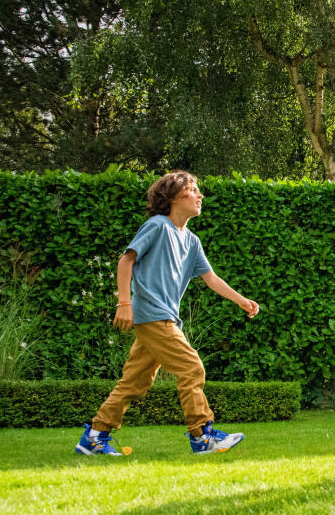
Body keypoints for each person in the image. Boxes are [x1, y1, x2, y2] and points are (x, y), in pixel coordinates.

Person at [74, 171, 260, 456]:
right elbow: (126, 261)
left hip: (163, 317)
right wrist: (124, 304)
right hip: (152, 313)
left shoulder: (191, 240)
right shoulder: (158, 226)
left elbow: (210, 278)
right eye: (193, 190)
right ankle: (202, 436)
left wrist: (241, 300)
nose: (200, 196)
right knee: (191, 366)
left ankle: (95, 436)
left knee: (135, 381)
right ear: (173, 196)